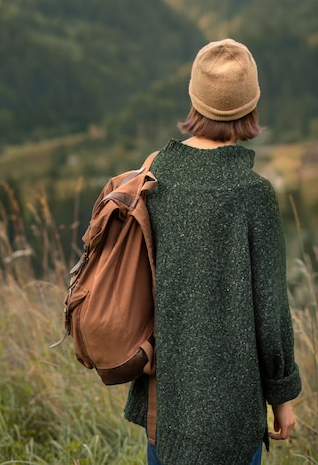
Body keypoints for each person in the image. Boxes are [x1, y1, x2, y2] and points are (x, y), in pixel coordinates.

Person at [124, 38, 302, 465]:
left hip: (164, 410)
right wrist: (282, 397)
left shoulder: (154, 176)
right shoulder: (254, 195)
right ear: (251, 103)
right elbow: (271, 312)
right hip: (233, 419)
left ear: (195, 98)